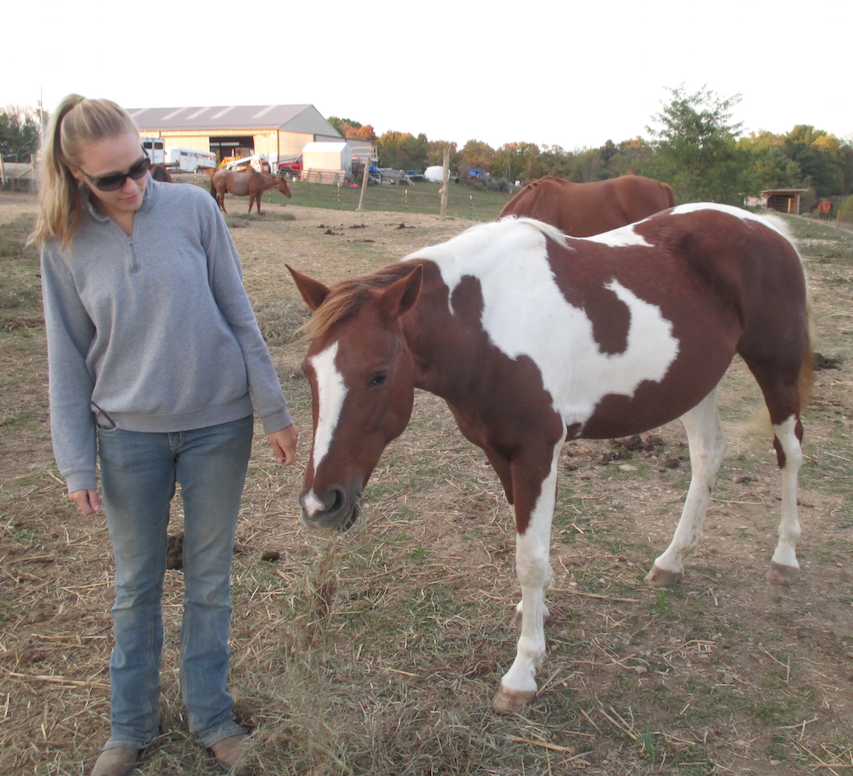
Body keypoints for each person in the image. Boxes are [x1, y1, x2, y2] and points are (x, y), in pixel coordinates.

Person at [33, 95, 298, 776]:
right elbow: (65, 357)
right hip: (127, 439)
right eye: (112, 179)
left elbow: (239, 313)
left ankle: (213, 717)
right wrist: (75, 462)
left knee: (210, 581)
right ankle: (129, 728)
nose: (135, 186)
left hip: (218, 428)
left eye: (142, 164)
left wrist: (273, 410)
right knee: (135, 585)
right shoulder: (63, 244)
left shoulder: (195, 210)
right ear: (73, 176)